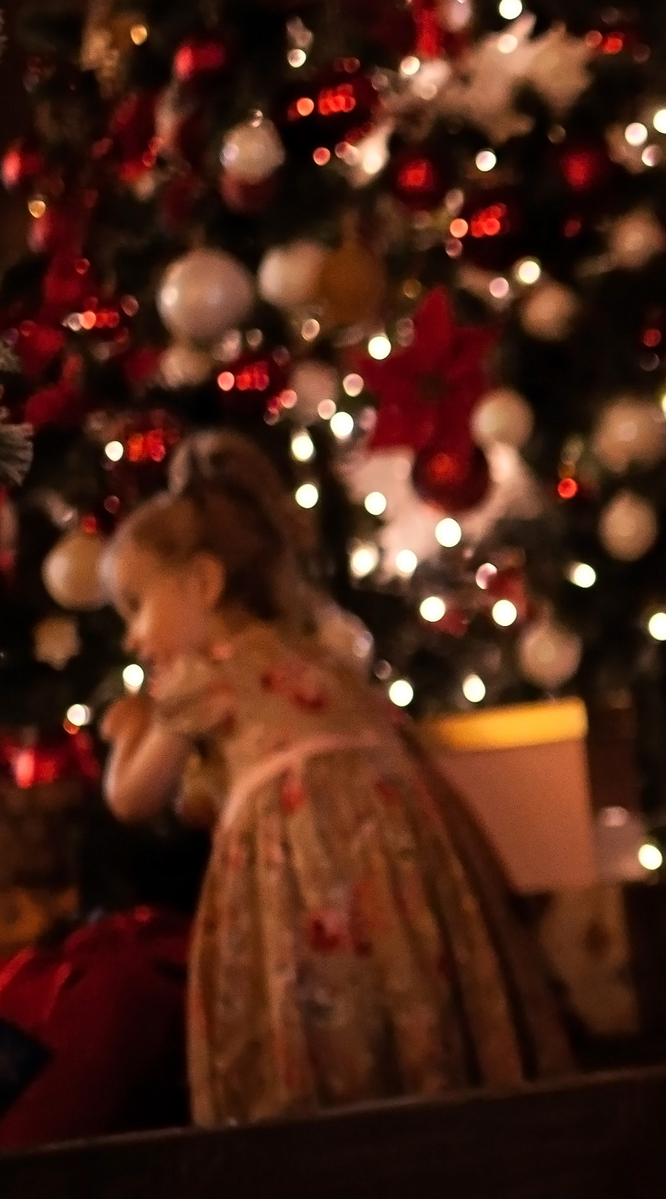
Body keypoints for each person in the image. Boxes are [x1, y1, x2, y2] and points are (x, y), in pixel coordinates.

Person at [97, 430, 571, 1125]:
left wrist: (126, 736)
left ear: (202, 582)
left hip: (301, 856)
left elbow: (131, 797)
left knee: (318, 1007)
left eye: (138, 606)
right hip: (398, 837)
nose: (133, 637)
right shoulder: (317, 653)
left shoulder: (203, 678)